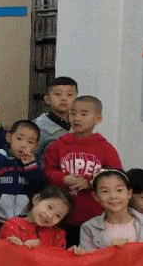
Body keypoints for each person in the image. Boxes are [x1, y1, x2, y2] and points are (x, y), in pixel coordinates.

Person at [43, 95, 122, 245]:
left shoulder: (105, 148)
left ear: (97, 118)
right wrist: (63, 179)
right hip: (61, 214)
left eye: (84, 114)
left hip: (94, 216)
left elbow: (116, 177)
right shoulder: (58, 145)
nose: (77, 118)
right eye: (73, 113)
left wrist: (90, 183)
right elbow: (47, 171)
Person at [76, 169, 143, 252]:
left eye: (119, 190)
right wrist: (110, 251)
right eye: (105, 191)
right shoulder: (89, 228)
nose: (113, 196)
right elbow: (89, 261)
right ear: (96, 196)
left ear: (129, 193)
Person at [0, 119, 45, 237]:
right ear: (9, 137)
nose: (23, 145)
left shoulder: (33, 164)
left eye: (30, 142)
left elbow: (39, 187)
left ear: (35, 146)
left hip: (23, 220)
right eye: (19, 138)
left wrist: (30, 167)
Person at [0, 186, 71, 249]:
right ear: (36, 199)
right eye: (49, 207)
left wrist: (71, 254)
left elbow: (58, 258)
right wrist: (17, 246)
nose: (50, 216)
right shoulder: (13, 225)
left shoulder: (58, 235)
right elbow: (2, 253)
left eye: (58, 215)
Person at [35, 76, 78, 164]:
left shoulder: (80, 125)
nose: (64, 98)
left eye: (69, 95)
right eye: (58, 94)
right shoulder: (39, 126)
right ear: (47, 99)